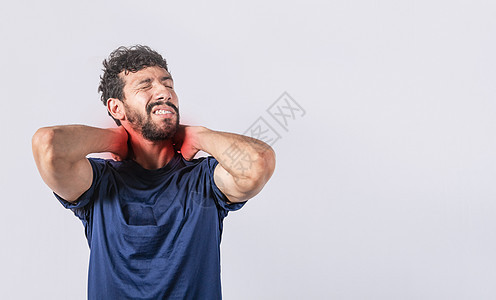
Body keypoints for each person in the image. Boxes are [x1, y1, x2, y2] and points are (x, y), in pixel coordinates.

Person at [31, 45, 276, 299]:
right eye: (145, 85)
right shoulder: (99, 183)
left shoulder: (204, 180)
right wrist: (113, 139)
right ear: (117, 108)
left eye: (168, 84)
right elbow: (48, 145)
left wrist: (198, 135)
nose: (164, 92)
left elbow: (259, 162)